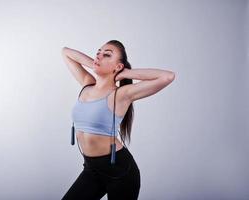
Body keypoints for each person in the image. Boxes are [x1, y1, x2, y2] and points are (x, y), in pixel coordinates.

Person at [61, 40, 175, 200]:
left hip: (120, 172)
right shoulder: (87, 84)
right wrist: (95, 65)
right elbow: (66, 52)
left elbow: (167, 76)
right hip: (91, 169)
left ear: (119, 66)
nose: (99, 56)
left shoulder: (121, 94)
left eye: (107, 55)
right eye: (98, 53)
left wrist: (124, 73)